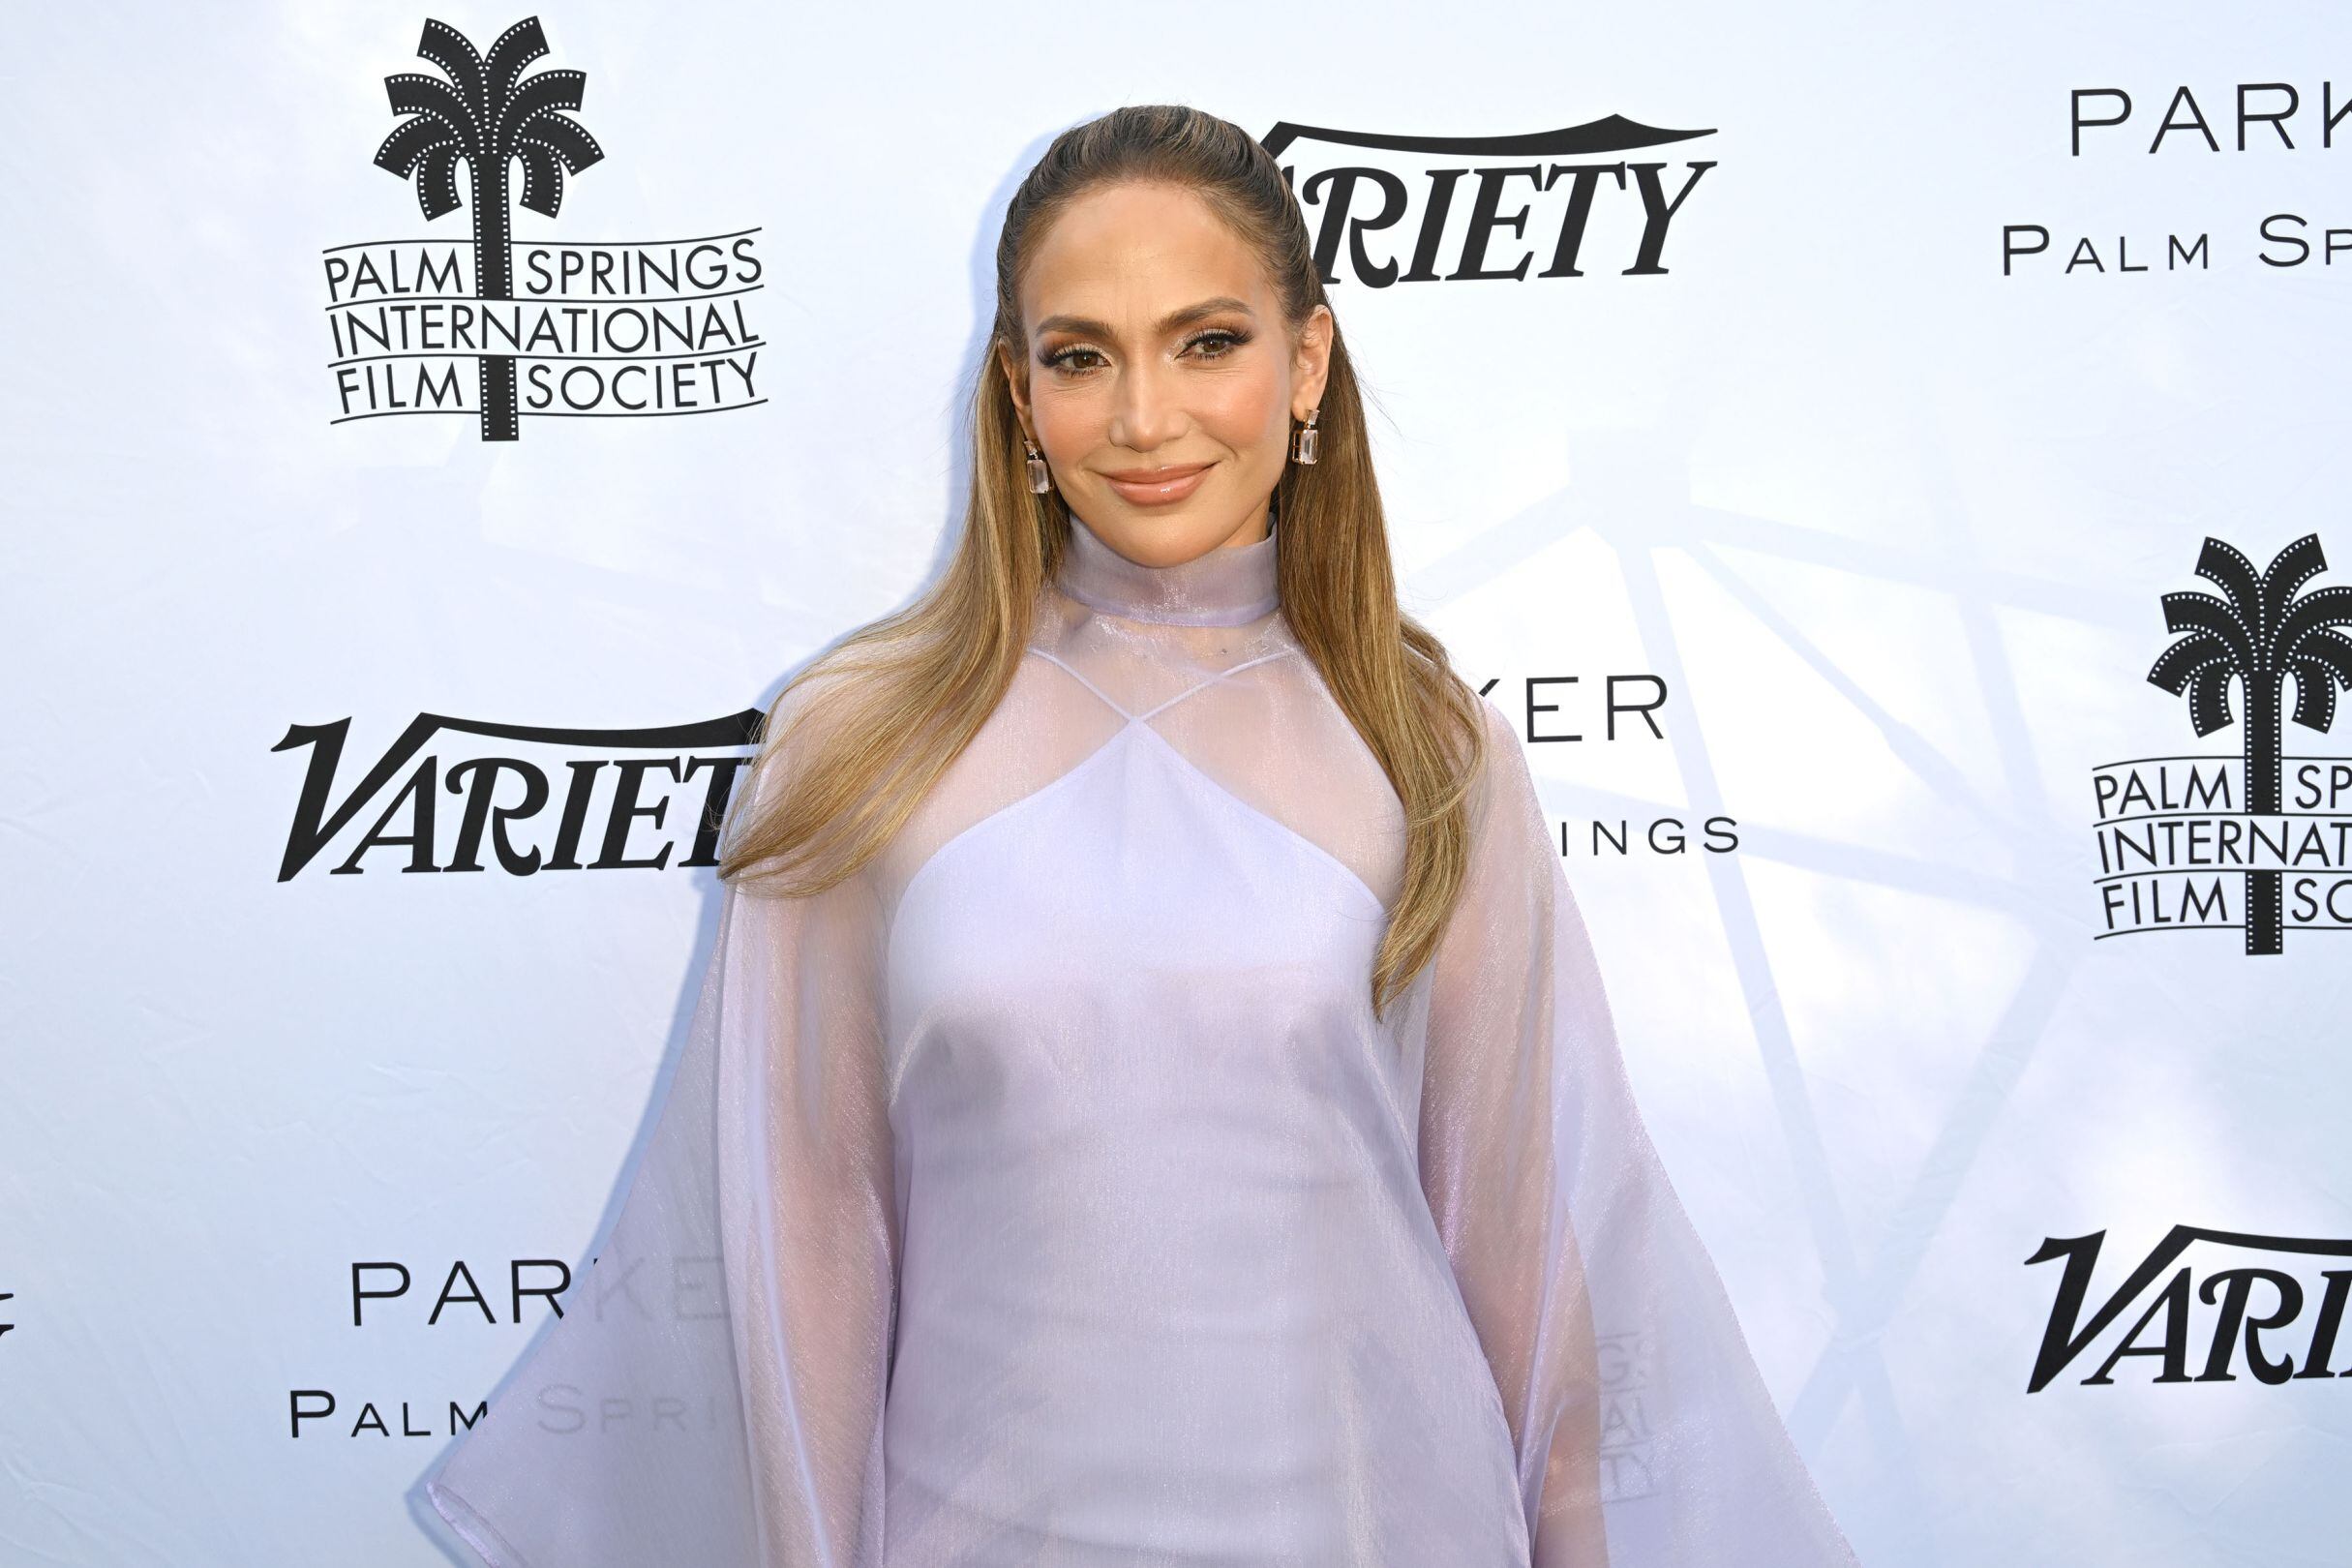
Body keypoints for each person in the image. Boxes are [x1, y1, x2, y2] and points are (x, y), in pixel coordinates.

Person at [419, 104, 1858, 1568]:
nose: (1144, 418)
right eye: (1081, 357)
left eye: (1206, 342)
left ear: (1307, 362)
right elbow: (803, 1234)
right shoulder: (859, 738)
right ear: (1016, 389)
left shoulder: (1429, 746)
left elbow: (1524, 1245)